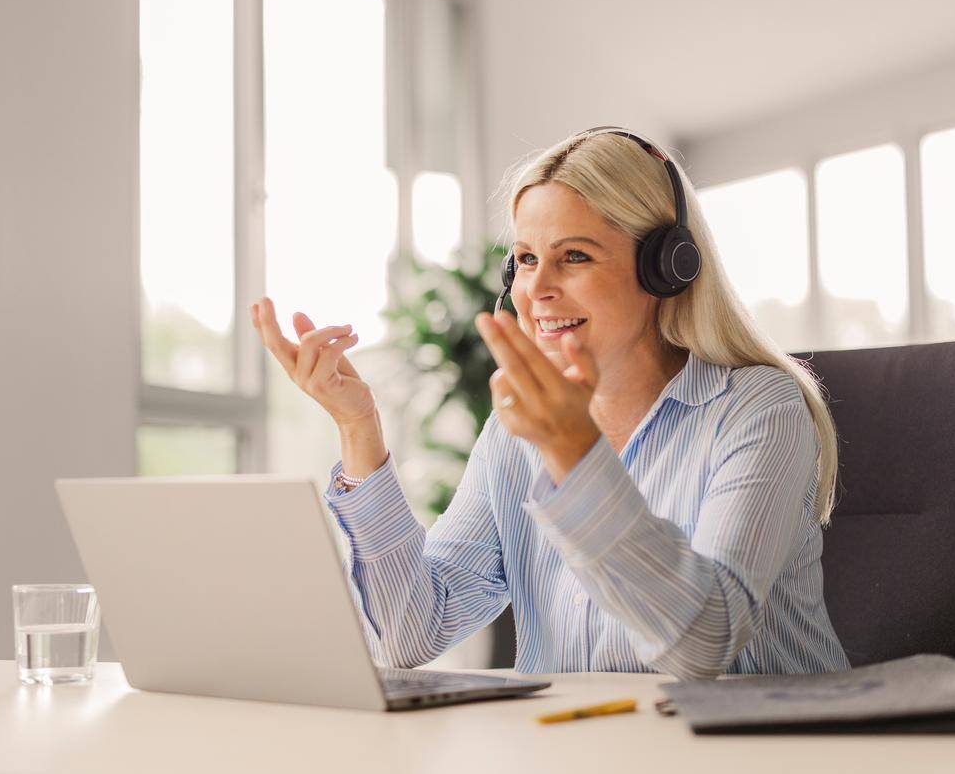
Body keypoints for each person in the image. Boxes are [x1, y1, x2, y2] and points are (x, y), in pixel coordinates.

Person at [250, 127, 850, 680]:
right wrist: (359, 429)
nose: (535, 289)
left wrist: (574, 456)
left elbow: (704, 644)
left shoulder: (757, 409)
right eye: (528, 258)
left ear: (667, 268)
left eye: (576, 256)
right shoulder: (516, 433)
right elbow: (413, 634)